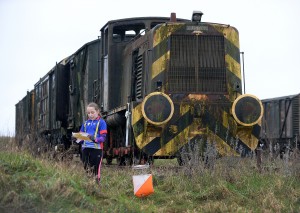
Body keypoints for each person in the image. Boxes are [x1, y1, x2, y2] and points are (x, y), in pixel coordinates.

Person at [79, 102, 107, 183]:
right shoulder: (85, 123)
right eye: (88, 113)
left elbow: (103, 138)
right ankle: (89, 183)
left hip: (96, 149)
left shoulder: (101, 122)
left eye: (92, 112)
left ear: (97, 112)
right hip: (85, 148)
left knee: (95, 168)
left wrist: (95, 139)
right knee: (86, 167)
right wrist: (77, 139)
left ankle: (96, 183)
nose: (90, 115)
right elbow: (81, 135)